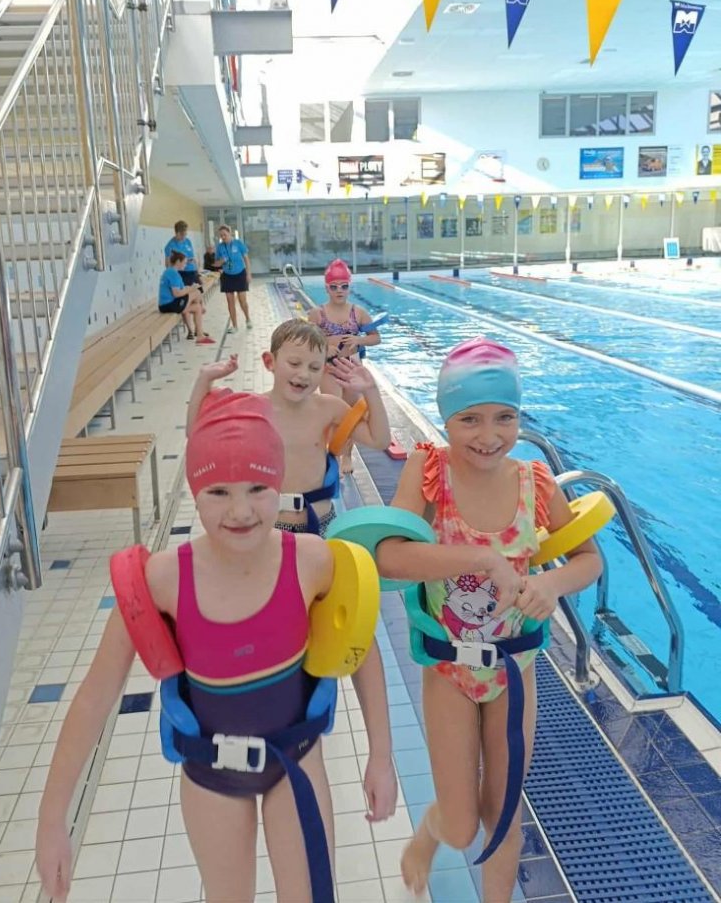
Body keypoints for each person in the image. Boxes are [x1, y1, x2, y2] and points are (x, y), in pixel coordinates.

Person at [36, 391, 397, 903]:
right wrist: (52, 820)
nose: (241, 510)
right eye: (219, 492)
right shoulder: (163, 580)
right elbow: (95, 697)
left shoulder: (311, 560)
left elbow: (362, 653)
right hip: (211, 774)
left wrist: (381, 756)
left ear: (279, 482)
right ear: (194, 491)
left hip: (296, 760)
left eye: (258, 487)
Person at [376, 338, 603, 903]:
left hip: (514, 670)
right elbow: (389, 557)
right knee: (461, 827)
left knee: (503, 817)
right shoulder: (431, 474)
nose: (489, 435)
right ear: (446, 419)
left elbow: (589, 559)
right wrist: (480, 560)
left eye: (505, 417)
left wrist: (550, 583)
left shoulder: (534, 482)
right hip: (449, 673)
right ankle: (432, 831)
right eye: (469, 419)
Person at [188, 319, 392, 540]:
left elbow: (379, 440)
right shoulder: (250, 409)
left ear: (324, 369)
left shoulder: (329, 408)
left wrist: (371, 391)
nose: (304, 374)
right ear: (270, 362)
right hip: (271, 527)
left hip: (321, 522)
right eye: (294, 363)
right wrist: (204, 380)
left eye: (314, 368)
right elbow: (195, 433)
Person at [308, 260, 381, 476]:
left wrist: (359, 340)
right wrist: (324, 347)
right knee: (332, 413)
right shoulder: (318, 314)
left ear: (349, 286)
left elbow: (375, 338)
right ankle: (333, 456)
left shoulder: (358, 313)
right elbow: (306, 341)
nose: (339, 290)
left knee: (350, 416)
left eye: (344, 286)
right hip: (329, 369)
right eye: (334, 287)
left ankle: (347, 455)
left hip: (352, 368)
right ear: (326, 288)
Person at [159, 251, 214, 343]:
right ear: (178, 262)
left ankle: (200, 335)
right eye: (184, 263)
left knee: (197, 307)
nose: (186, 265)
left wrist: (189, 288)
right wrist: (191, 288)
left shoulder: (171, 272)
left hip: (170, 304)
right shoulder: (173, 274)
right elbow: (176, 293)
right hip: (169, 305)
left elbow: (181, 289)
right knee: (196, 292)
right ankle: (201, 306)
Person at [214, 224, 251, 332]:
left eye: (224, 235)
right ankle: (234, 326)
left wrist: (248, 274)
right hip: (227, 276)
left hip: (240, 274)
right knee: (230, 302)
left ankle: (248, 319)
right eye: (221, 235)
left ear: (230, 233)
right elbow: (216, 263)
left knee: (242, 300)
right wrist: (221, 261)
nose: (223, 237)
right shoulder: (220, 247)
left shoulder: (238, 243)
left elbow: (246, 259)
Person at [164, 220, 200, 286]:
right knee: (188, 292)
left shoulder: (188, 241)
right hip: (182, 273)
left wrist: (197, 271)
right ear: (177, 233)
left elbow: (193, 258)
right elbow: (168, 265)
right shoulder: (170, 246)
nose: (184, 237)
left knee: (200, 290)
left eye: (186, 234)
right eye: (183, 235)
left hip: (192, 271)